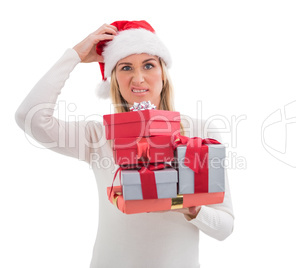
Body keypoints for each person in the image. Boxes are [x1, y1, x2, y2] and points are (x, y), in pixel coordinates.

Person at [15, 20, 234, 268]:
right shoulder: (98, 136)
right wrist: (75, 55)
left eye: (148, 65)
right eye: (126, 67)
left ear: (163, 73)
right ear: (114, 79)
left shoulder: (200, 132)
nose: (138, 78)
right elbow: (29, 117)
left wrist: (190, 208)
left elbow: (224, 227)